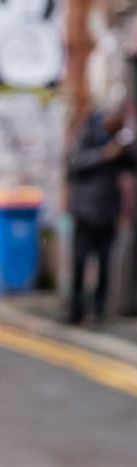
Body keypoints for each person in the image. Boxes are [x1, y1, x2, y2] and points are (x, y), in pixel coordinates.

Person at [65, 103, 136, 324]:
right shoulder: (88, 136)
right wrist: (104, 154)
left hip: (107, 212)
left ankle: (98, 310)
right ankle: (75, 310)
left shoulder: (119, 143)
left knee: (105, 265)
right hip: (84, 212)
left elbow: (132, 165)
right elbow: (75, 164)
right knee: (79, 263)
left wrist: (126, 147)